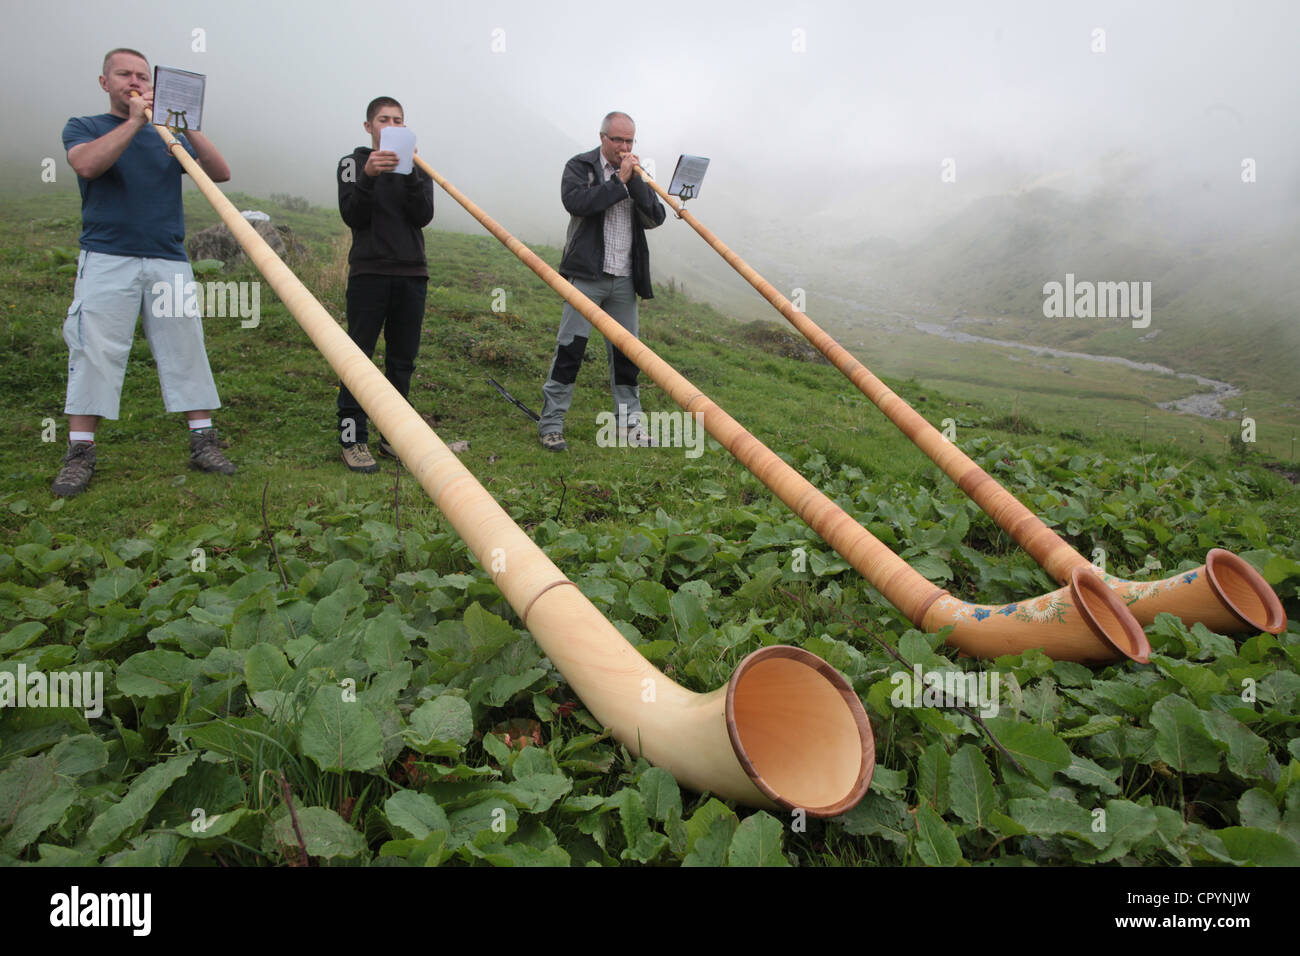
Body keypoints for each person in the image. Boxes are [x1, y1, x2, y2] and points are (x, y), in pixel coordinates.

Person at [52, 48, 235, 497]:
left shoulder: (168, 133)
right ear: (104, 82)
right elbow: (87, 165)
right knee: (93, 348)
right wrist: (135, 122)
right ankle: (80, 452)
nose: (133, 81)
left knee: (185, 344)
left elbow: (220, 173)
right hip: (107, 256)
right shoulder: (85, 127)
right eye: (123, 74)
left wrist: (183, 121)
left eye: (141, 75)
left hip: (167, 258)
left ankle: (203, 441)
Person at [538, 111, 666, 452]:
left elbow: (656, 217)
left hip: (624, 279)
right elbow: (577, 203)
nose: (624, 147)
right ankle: (551, 425)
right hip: (587, 276)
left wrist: (634, 181)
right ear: (602, 138)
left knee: (628, 356)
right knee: (570, 351)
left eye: (630, 141)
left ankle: (630, 426)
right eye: (618, 140)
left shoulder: (635, 173)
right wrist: (617, 183)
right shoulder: (580, 167)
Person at [335, 96, 434, 472]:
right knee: (357, 359)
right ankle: (351, 437)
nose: (390, 126)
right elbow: (352, 215)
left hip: (412, 274)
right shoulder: (351, 164)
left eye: (398, 121)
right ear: (369, 127)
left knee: (402, 360)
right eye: (383, 120)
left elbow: (423, 215)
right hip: (369, 273)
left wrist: (409, 173)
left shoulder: (418, 167)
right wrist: (369, 177)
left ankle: (395, 437)